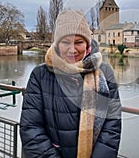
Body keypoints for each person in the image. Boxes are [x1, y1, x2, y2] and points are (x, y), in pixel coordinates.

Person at [20, 9, 122, 158]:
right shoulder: (40, 75)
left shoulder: (105, 73)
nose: (72, 49)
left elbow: (112, 126)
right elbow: (31, 128)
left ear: (87, 44)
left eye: (79, 42)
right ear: (56, 44)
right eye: (65, 42)